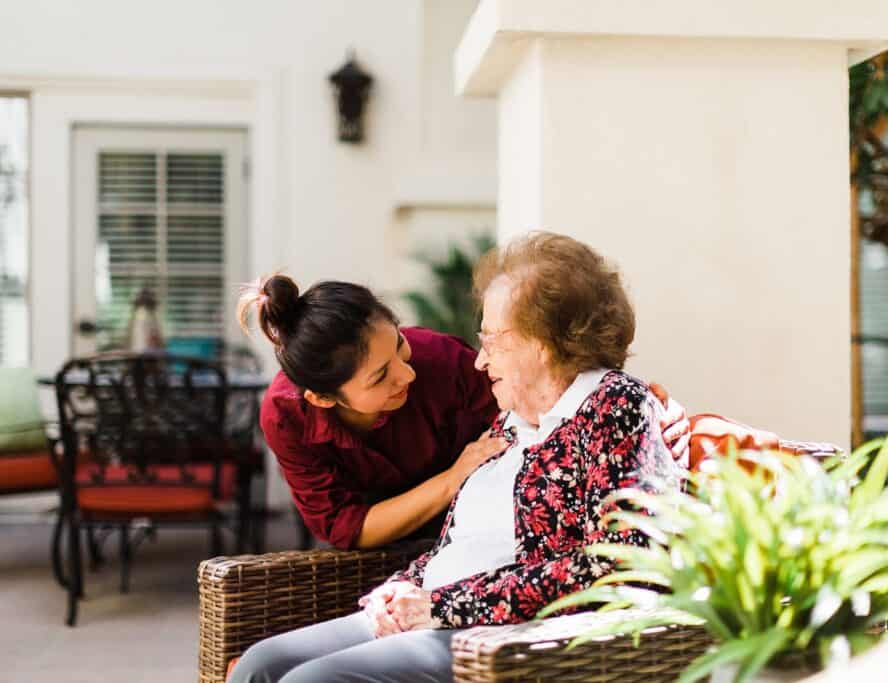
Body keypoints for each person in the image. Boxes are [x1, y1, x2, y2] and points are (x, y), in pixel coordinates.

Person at [230, 232, 681, 683]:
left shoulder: (610, 407)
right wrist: (402, 586)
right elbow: (457, 543)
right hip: (429, 607)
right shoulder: (510, 420)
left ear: (541, 344)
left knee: (308, 682)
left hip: (496, 632)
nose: (480, 362)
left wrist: (441, 605)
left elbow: (616, 560)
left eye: (492, 343)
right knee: (259, 666)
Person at [236, 274, 692, 551]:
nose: (406, 376)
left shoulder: (439, 361)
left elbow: (547, 396)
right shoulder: (287, 416)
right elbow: (345, 527)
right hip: (390, 567)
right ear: (322, 398)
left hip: (483, 542)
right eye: (380, 378)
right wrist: (452, 478)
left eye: (400, 347)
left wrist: (644, 407)